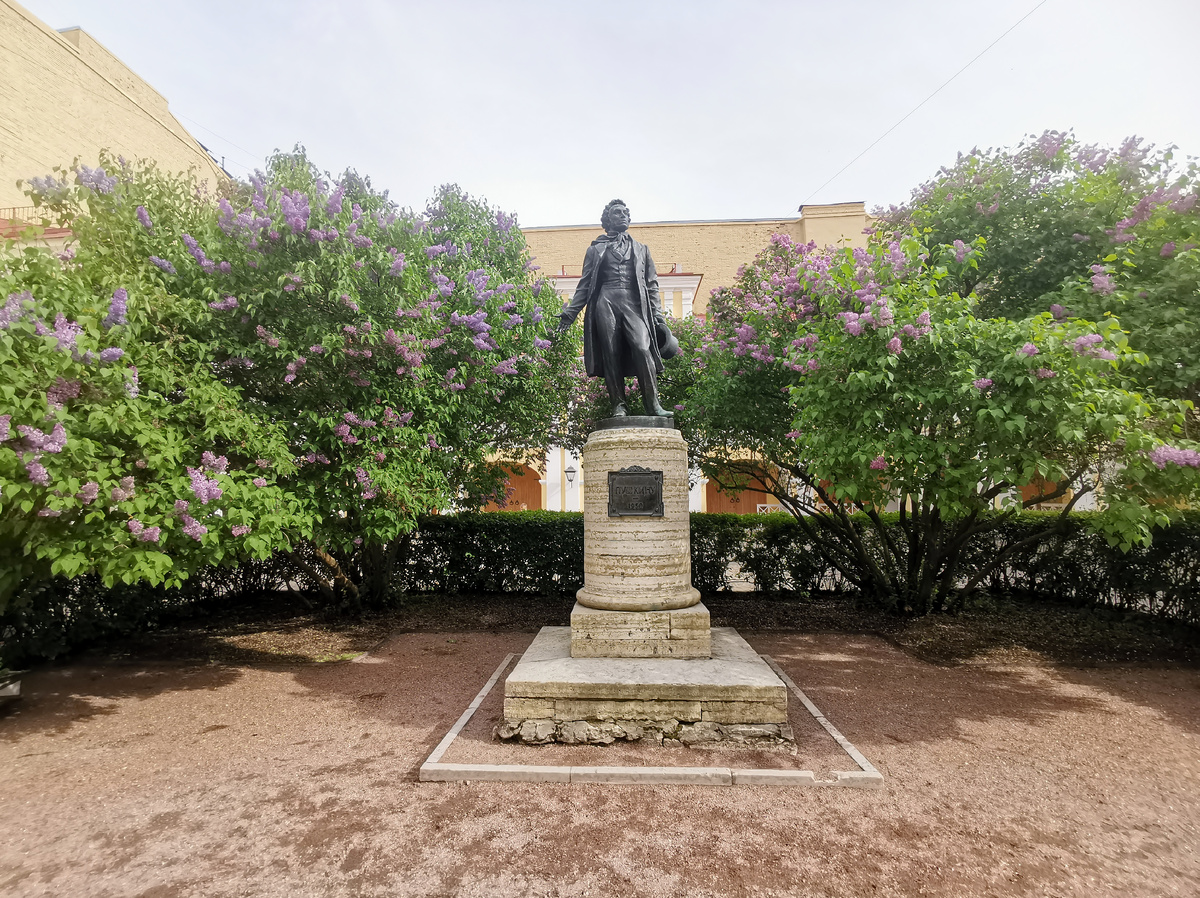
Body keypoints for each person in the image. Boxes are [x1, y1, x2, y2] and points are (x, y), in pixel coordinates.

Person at [557, 199, 679, 417]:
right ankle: (619, 405)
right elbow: (585, 284)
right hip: (607, 300)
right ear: (608, 219)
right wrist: (571, 312)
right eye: (617, 212)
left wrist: (658, 318)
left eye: (625, 213)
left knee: (642, 347)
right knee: (610, 353)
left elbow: (652, 285)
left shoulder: (642, 249)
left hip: (634, 304)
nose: (623, 215)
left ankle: (653, 405)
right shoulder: (595, 250)